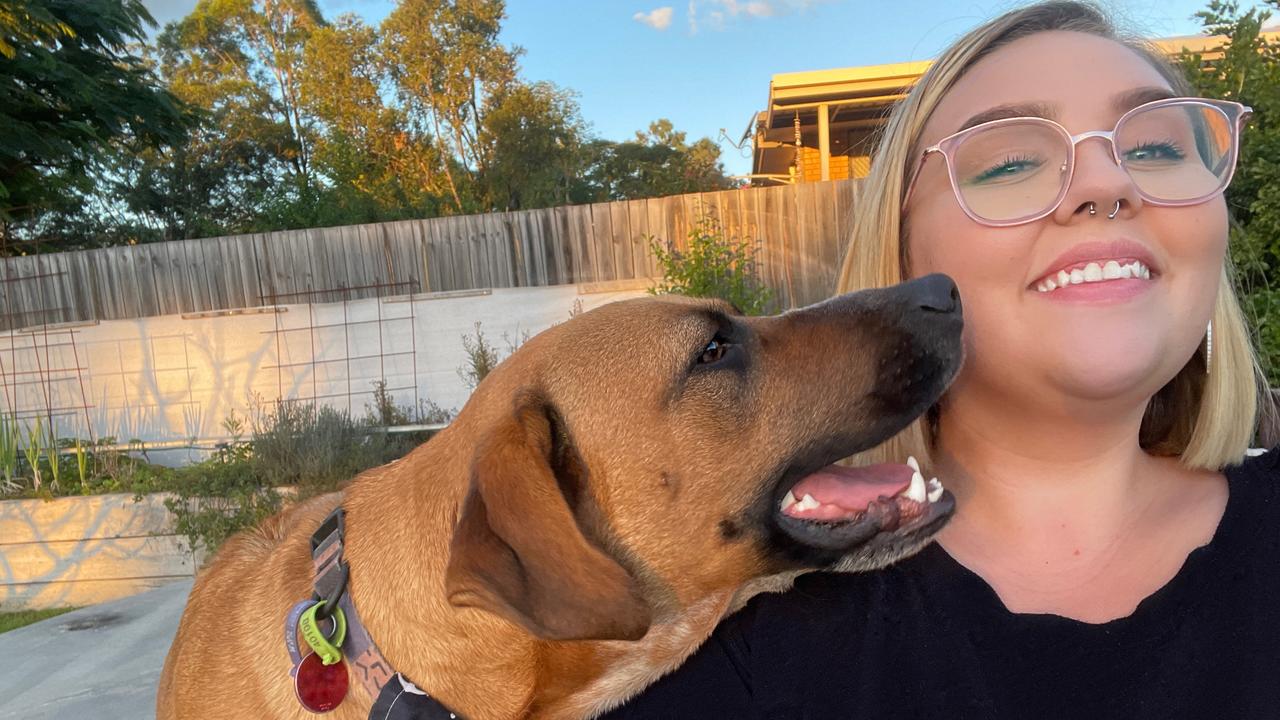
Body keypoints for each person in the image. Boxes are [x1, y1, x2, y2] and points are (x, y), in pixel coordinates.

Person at [601, 1, 1280, 717]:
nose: (1108, 184)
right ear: (901, 263)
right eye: (1012, 161)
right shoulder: (737, 660)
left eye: (1156, 148)